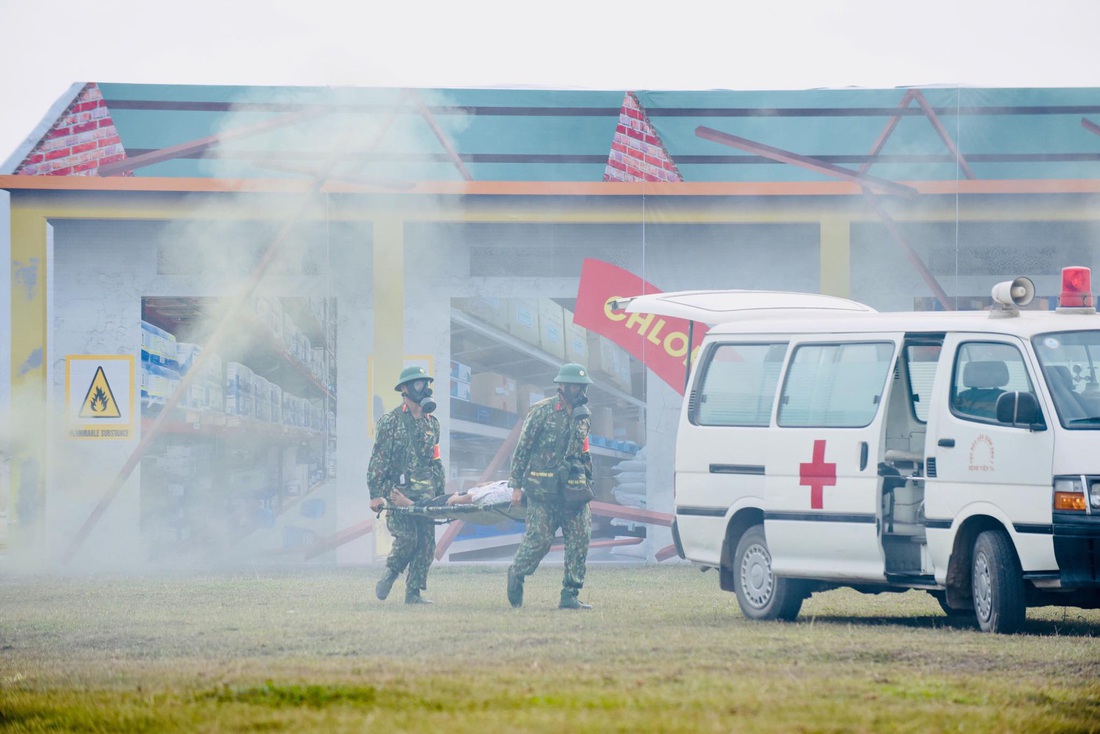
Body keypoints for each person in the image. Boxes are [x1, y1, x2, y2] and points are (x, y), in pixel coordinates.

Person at [506, 363, 595, 610]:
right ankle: (517, 572)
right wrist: (516, 485)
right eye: (574, 386)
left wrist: (589, 481)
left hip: (573, 491)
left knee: (580, 538)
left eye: (582, 386)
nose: (579, 390)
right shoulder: (541, 411)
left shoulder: (583, 416)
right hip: (543, 490)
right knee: (540, 540)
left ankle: (570, 594)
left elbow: (584, 452)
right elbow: (522, 449)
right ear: (562, 386)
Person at [368, 365, 445, 604]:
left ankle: (413, 594)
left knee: (426, 545)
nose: (424, 388)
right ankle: (390, 573)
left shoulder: (432, 423)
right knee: (408, 538)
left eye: (426, 383)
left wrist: (441, 496)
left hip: (425, 496)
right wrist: (376, 494)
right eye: (418, 384)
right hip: (398, 494)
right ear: (405, 388)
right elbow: (379, 459)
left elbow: (436, 461)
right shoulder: (390, 422)